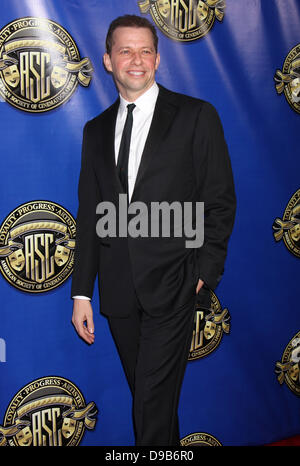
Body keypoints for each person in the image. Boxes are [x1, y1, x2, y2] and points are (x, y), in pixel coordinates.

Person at [71, 14, 236, 446]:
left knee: (150, 403)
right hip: (120, 291)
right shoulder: (95, 131)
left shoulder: (196, 116)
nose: (136, 59)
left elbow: (218, 200)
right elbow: (90, 214)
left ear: (159, 59)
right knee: (153, 403)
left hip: (175, 285)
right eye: (125, 50)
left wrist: (204, 271)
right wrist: (82, 292)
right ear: (108, 60)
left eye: (146, 50)